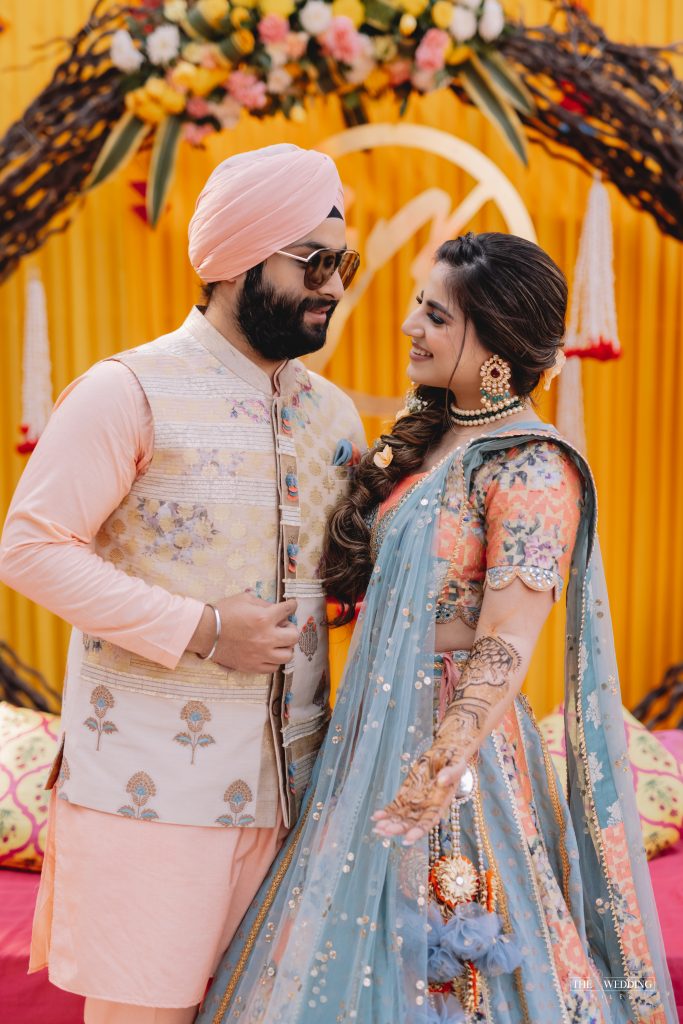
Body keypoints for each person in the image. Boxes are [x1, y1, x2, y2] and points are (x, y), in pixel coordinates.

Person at [198, 232, 677, 1024]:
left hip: (455, 757)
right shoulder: (433, 442)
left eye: (435, 316)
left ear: (494, 344)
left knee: (453, 957)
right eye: (418, 308)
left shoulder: (530, 466)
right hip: (368, 735)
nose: (408, 327)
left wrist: (436, 769)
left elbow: (505, 644)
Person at [0, 143, 366, 1024]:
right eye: (312, 261)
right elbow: (30, 547)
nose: (333, 284)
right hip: (151, 799)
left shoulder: (335, 414)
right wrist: (204, 629)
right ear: (241, 259)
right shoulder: (129, 390)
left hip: (298, 797)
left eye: (342, 263)